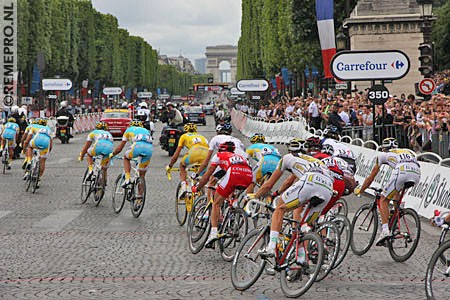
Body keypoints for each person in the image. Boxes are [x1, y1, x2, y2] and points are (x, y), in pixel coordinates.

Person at [250, 138, 334, 257]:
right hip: (328, 187)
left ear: (289, 150)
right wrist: (278, 192)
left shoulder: (287, 158)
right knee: (303, 226)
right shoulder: (311, 160)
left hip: (310, 181)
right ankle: (302, 259)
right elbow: (289, 182)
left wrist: (254, 196)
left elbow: (269, 185)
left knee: (280, 208)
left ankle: (271, 246)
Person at [355, 138, 421, 246]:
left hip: (402, 171)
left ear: (384, 148)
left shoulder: (382, 155)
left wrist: (361, 190)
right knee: (396, 191)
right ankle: (397, 212)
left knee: (383, 199)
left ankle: (385, 231)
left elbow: (371, 178)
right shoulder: (405, 151)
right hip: (416, 173)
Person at [192, 141, 252, 247]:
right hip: (248, 174)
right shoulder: (237, 156)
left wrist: (198, 188)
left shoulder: (219, 155)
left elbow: (207, 175)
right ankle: (233, 209)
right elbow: (222, 173)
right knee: (231, 192)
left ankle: (213, 233)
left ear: (220, 149)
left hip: (233, 172)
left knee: (216, 203)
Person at [166, 123, 209, 196]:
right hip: (206, 153)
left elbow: (176, 154)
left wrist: (170, 166)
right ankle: (202, 199)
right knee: (200, 177)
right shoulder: (202, 137)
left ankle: (184, 187)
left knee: (182, 166)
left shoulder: (184, 136)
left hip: (194, 151)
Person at [110, 119, 153, 188]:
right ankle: (140, 197)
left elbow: (119, 148)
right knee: (141, 176)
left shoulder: (129, 130)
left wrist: (112, 154)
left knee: (126, 158)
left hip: (138, 146)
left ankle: (127, 179)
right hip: (149, 149)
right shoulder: (146, 131)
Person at [22, 118, 53, 186]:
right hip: (45, 143)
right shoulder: (49, 129)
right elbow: (51, 144)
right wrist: (48, 151)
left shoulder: (33, 127)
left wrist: (24, 149)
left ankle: (29, 161)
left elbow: (27, 140)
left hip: (36, 141)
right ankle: (38, 178)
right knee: (43, 161)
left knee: (30, 147)